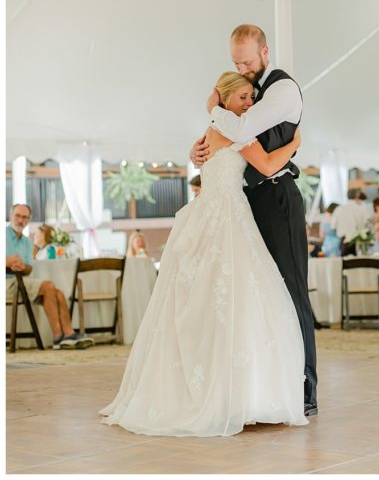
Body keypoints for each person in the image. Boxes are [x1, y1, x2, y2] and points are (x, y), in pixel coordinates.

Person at [103, 72, 307, 436]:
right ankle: (236, 392)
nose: (249, 104)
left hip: (209, 210)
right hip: (227, 212)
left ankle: (221, 384)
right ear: (227, 99)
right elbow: (267, 166)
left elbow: (207, 156)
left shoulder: (214, 127)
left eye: (251, 97)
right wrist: (294, 145)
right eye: (244, 97)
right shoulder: (232, 128)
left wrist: (212, 114)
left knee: (215, 297)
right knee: (235, 296)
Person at [188, 24, 318, 417]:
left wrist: (212, 106)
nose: (242, 69)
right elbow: (230, 135)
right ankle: (262, 384)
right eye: (235, 63)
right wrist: (200, 150)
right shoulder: (243, 95)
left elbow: (244, 130)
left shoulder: (281, 89)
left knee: (291, 291)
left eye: (247, 61)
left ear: (265, 52)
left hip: (276, 196)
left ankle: (304, 389)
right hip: (244, 204)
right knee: (258, 295)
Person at [6, 204, 91, 349]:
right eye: (17, 216)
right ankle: (59, 336)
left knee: (58, 293)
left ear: (28, 220)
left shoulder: (27, 242)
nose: (20, 220)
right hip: (6, 283)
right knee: (49, 286)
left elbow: (29, 269)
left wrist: (23, 267)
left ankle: (67, 335)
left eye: (25, 217)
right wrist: (6, 262)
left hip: (23, 281)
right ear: (10, 216)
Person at [333, 189, 369, 255]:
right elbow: (366, 225)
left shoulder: (338, 209)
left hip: (343, 241)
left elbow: (332, 226)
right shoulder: (361, 209)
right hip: (358, 241)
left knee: (344, 263)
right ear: (357, 196)